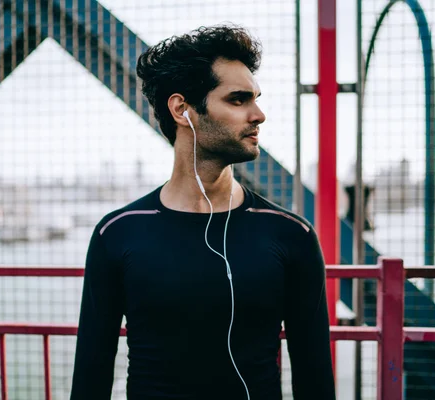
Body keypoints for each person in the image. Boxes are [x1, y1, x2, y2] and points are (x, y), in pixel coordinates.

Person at [70, 24, 336, 400]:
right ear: (183, 109)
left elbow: (316, 381)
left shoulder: (291, 235)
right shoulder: (117, 233)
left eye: (256, 99)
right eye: (238, 99)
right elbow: (90, 378)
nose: (258, 114)